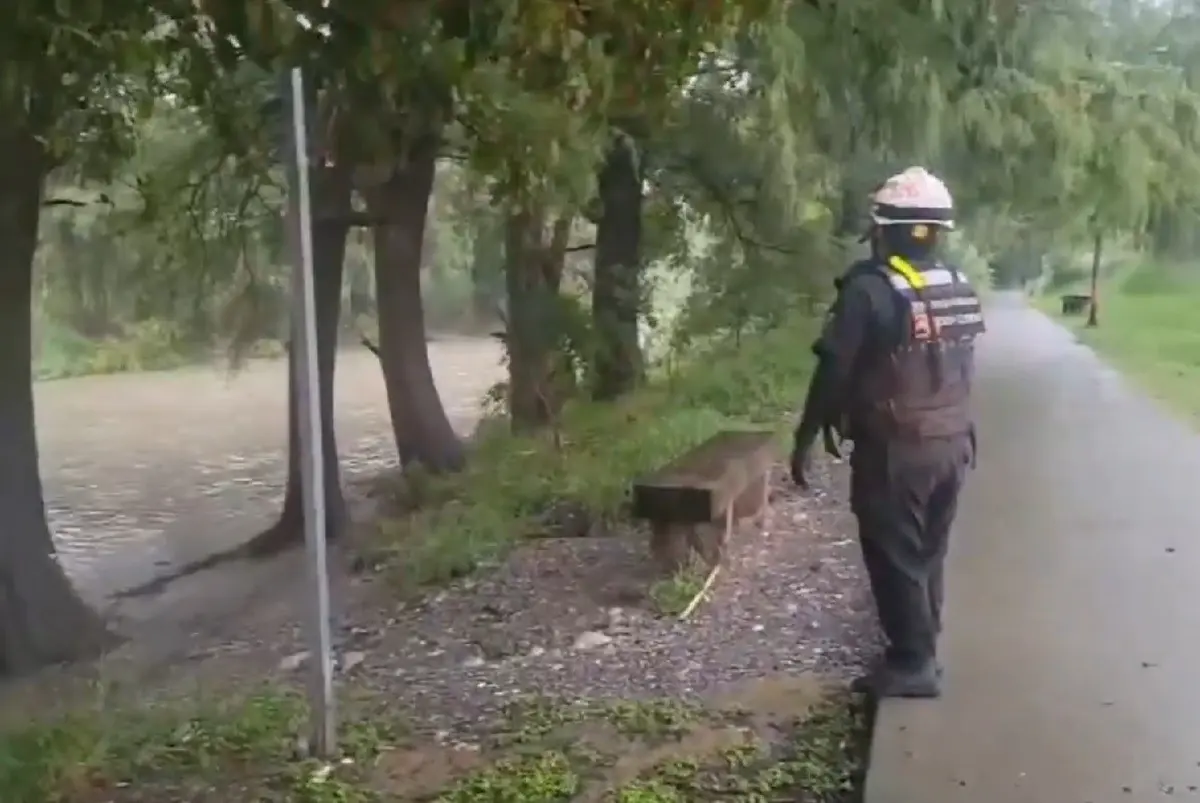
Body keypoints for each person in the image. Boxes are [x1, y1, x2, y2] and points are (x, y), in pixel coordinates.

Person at [790, 166, 985, 698]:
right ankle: (923, 644)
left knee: (894, 550)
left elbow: (834, 366)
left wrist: (806, 435)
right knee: (927, 549)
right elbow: (957, 365)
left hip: (897, 448)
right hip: (952, 442)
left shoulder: (869, 290)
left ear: (885, 230)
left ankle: (912, 662)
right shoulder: (957, 286)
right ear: (936, 231)